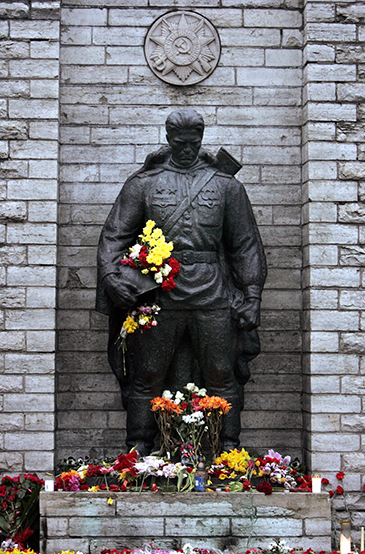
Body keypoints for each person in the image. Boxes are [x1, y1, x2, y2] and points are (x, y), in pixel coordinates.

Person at [96, 108, 267, 457]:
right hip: (159, 295)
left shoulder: (226, 187)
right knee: (148, 374)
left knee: (221, 373)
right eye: (180, 142)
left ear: (201, 140)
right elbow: (114, 235)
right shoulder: (144, 184)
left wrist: (251, 295)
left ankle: (226, 451)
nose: (187, 149)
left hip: (212, 291)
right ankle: (137, 452)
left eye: (193, 142)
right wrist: (113, 276)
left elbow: (245, 244)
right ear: (169, 139)